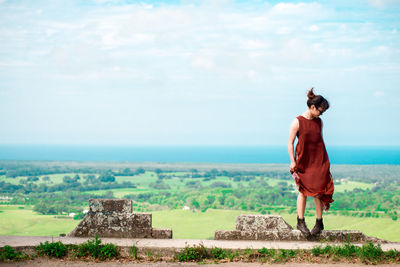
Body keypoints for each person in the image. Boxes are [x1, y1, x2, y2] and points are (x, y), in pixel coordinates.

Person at [287, 88, 334, 237]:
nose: (321, 114)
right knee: (303, 191)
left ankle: (319, 223)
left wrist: (325, 163)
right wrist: (292, 161)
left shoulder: (319, 122)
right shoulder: (297, 121)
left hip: (319, 161)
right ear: (313, 107)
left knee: (319, 192)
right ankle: (300, 221)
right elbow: (290, 142)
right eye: (320, 111)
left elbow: (319, 142)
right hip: (304, 162)